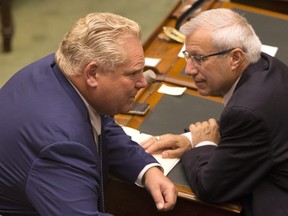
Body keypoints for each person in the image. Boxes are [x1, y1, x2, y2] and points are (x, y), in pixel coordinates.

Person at [0, 12, 177, 215]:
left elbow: (100, 121)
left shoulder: (62, 68)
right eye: (132, 73)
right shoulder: (60, 146)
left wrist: (146, 170)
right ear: (92, 74)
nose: (143, 82)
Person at [141, 8, 288, 216]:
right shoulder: (265, 65)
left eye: (199, 58)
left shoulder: (247, 110)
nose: (189, 69)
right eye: (188, 56)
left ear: (235, 57)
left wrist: (201, 146)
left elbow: (210, 187)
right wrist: (191, 139)